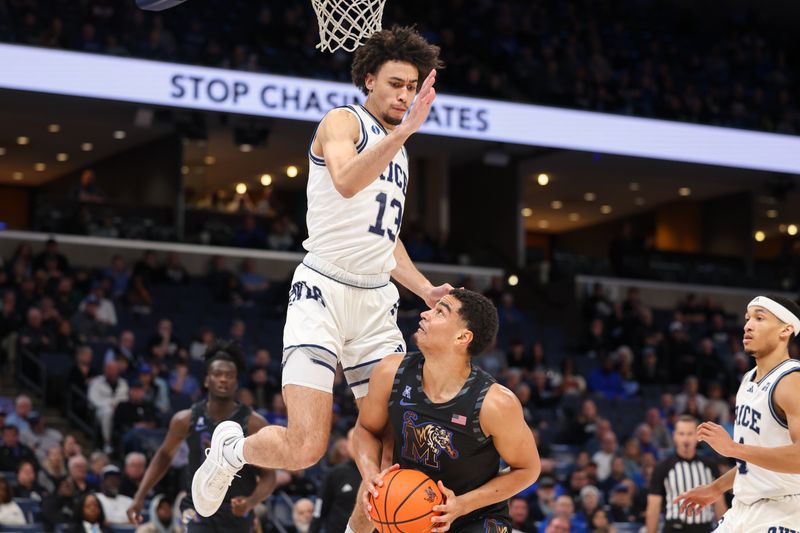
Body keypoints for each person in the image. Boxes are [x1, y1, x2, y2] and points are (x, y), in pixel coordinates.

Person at [192, 25, 451, 533]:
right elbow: (347, 181)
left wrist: (423, 288)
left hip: (377, 305)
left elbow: (385, 238)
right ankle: (231, 448)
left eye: (412, 85)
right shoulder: (343, 122)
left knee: (399, 439)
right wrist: (403, 131)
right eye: (396, 83)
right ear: (369, 79)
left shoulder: (399, 152)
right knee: (306, 447)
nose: (405, 94)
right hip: (323, 292)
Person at [355, 289, 541, 532]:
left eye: (439, 312)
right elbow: (366, 429)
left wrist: (462, 505)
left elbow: (527, 469)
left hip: (474, 518)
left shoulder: (494, 403)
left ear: (462, 337)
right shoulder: (391, 371)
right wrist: (371, 475)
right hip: (409, 509)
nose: (425, 314)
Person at [675, 295, 800, 530]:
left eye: (759, 318)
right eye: (747, 318)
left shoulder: (792, 381)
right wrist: (714, 489)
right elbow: (755, 464)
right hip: (742, 508)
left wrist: (733, 449)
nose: (748, 325)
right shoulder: (747, 381)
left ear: (786, 330)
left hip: (782, 512)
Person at [127, 342, 276, 532]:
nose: (223, 380)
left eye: (229, 376)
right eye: (217, 374)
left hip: (237, 510)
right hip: (197, 509)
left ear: (236, 382)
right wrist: (140, 497)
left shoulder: (254, 423)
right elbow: (163, 457)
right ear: (206, 380)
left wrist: (251, 501)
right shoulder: (185, 419)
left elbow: (269, 476)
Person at [646, 415, 725, 532]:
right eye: (681, 434)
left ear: (698, 436)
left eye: (689, 434)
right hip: (675, 528)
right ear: (674, 436)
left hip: (703, 528)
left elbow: (719, 503)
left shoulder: (710, 466)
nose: (686, 439)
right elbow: (653, 507)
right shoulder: (662, 467)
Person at [309, 428, 361, 533]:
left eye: (359, 441)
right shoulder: (336, 473)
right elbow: (319, 509)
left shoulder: (377, 472)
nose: (355, 445)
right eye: (351, 441)